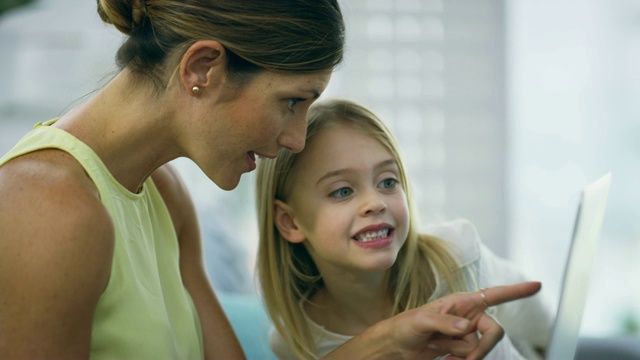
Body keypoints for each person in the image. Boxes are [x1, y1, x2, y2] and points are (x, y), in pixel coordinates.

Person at [0, 0, 539, 358]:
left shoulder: (162, 191)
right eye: (291, 102)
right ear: (202, 69)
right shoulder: (45, 210)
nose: (298, 140)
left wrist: (387, 342)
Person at [255, 98, 553, 359]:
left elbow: (548, 333)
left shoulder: (458, 253)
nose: (375, 202)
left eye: (387, 182)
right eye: (343, 191)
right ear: (290, 222)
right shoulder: (294, 341)